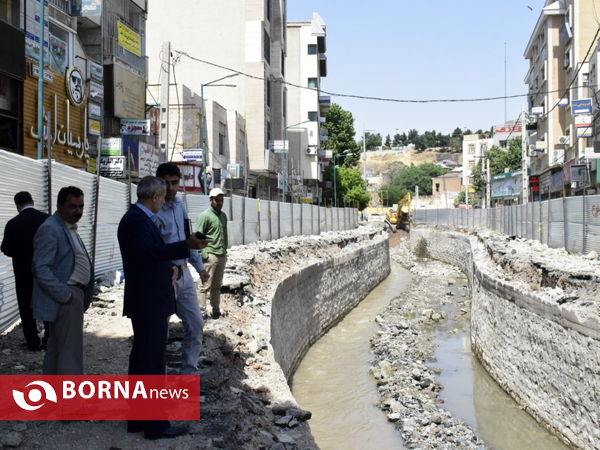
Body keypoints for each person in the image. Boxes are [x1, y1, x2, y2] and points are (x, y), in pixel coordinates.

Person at [118, 176, 209, 440]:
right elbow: (148, 253)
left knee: (142, 360)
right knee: (152, 363)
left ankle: (138, 418)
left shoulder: (138, 218)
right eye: (162, 196)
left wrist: (169, 266)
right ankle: (156, 425)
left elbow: (149, 254)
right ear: (156, 196)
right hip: (149, 300)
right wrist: (185, 246)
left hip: (148, 298)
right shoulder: (137, 220)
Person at [31, 186, 94, 374]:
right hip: (66, 298)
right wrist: (65, 295)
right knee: (69, 353)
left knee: (57, 350)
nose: (78, 211)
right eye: (72, 206)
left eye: (81, 206)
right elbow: (41, 268)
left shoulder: (67, 227)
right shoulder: (51, 228)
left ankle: (53, 398)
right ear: (59, 206)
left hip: (71, 296)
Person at [155, 163, 209, 375]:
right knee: (160, 332)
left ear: (180, 184)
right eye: (165, 183)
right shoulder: (154, 212)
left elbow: (189, 242)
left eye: (174, 183)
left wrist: (200, 268)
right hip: (164, 277)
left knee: (196, 325)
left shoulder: (180, 207)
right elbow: (154, 250)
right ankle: (160, 378)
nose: (170, 187)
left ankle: (188, 373)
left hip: (184, 274)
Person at [1, 192, 49, 351]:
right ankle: (49, 340)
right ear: (32, 202)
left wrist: (21, 253)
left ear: (17, 205)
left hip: (23, 273)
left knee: (26, 307)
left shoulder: (13, 223)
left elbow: (6, 248)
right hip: (46, 272)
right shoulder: (47, 220)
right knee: (48, 304)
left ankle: (32, 342)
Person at [196, 187, 228, 319]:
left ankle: (216, 310)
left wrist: (225, 250)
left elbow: (224, 235)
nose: (219, 203)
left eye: (221, 200)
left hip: (221, 254)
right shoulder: (205, 216)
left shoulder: (223, 216)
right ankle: (201, 312)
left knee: (216, 286)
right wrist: (204, 254)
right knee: (205, 285)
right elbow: (198, 236)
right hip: (211, 254)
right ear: (211, 200)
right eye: (217, 200)